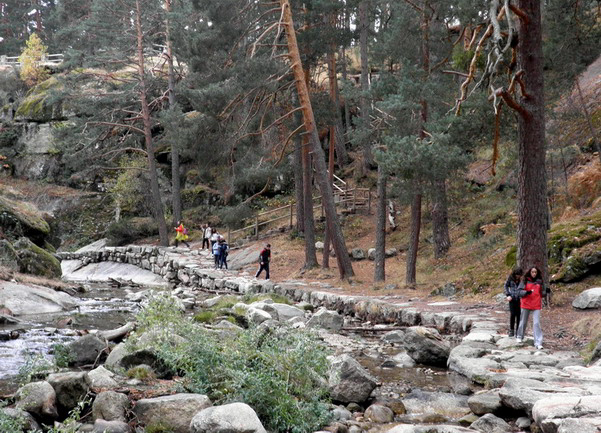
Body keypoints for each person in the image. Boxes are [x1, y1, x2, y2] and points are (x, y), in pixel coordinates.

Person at [516, 266, 548, 349]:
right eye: (532, 272)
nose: (534, 273)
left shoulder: (540, 282)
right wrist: (526, 292)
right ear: (530, 272)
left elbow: (542, 294)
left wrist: (546, 292)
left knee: (536, 323)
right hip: (526, 304)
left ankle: (538, 342)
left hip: (536, 305)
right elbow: (519, 291)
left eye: (535, 272)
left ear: (537, 273)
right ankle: (519, 337)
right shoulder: (525, 280)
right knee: (523, 321)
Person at [504, 267, 523, 337]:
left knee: (519, 315)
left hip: (520, 299)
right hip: (512, 299)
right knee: (512, 314)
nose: (517, 276)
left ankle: (518, 331)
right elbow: (505, 286)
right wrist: (508, 295)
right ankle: (511, 330)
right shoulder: (510, 278)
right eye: (516, 275)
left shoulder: (522, 280)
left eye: (519, 275)